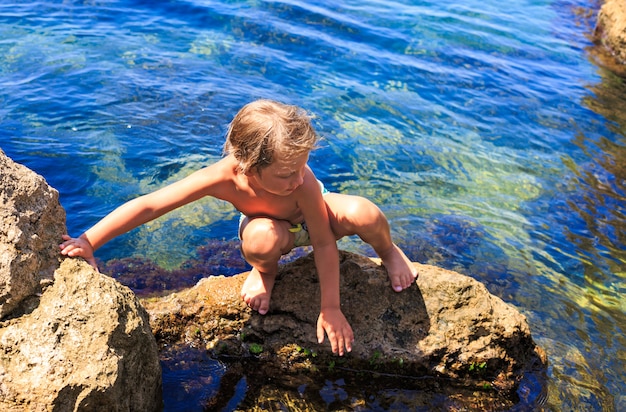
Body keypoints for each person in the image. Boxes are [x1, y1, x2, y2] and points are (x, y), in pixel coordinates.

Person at [59, 99, 418, 356]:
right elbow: (151, 204)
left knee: (365, 214)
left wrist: (331, 308)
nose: (298, 178)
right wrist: (89, 240)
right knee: (261, 241)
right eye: (285, 174)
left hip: (316, 218)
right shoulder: (221, 178)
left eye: (302, 167)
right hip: (270, 229)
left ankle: (389, 251)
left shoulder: (303, 182)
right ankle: (266, 272)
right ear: (247, 165)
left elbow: (324, 244)